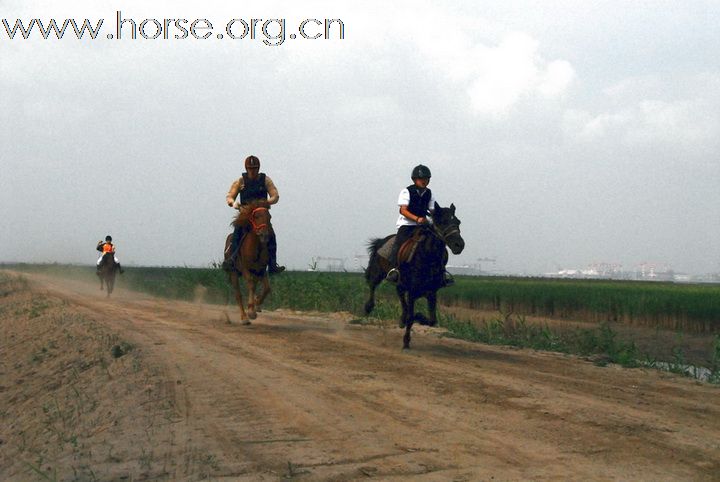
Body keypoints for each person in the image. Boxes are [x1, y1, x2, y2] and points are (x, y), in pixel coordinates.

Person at [385, 165, 453, 286]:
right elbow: (403, 210)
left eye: (426, 178)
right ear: (414, 179)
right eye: (421, 178)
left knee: (437, 242)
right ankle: (395, 270)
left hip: (423, 225)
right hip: (407, 224)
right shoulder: (406, 191)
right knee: (399, 243)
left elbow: (432, 211)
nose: (424, 181)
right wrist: (417, 218)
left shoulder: (429, 193)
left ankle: (442, 272)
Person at [222, 155, 285, 274]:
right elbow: (230, 196)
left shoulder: (266, 180)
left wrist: (265, 202)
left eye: (255, 168)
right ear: (246, 168)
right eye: (250, 168)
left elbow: (275, 196)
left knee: (271, 235)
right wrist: (234, 204)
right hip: (246, 215)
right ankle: (232, 259)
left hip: (261, 215)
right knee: (237, 232)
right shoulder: (240, 181)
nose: (252, 171)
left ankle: (272, 265)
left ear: (258, 168)